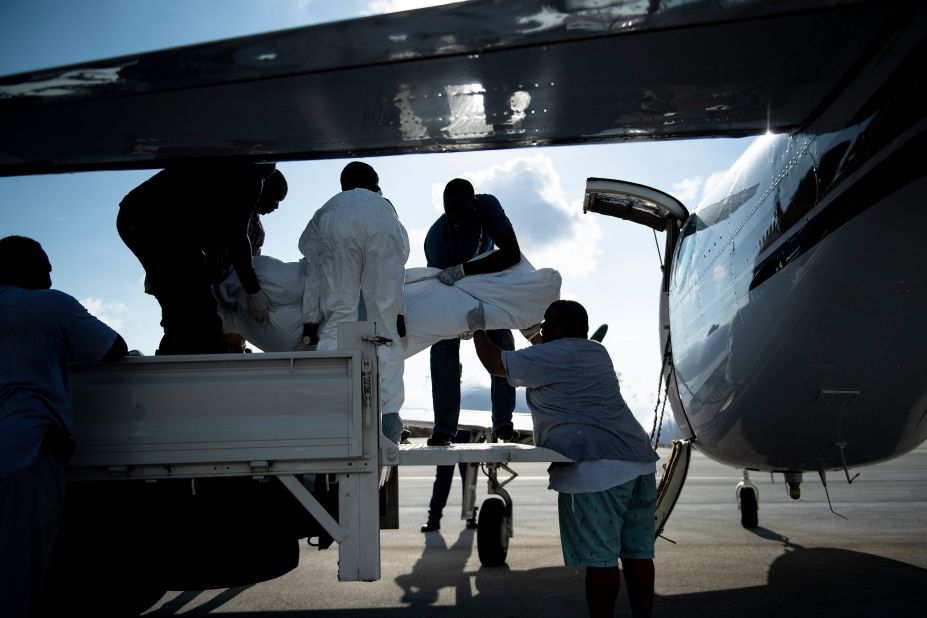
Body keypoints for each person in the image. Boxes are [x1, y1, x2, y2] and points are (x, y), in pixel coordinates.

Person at [469, 299, 659, 618]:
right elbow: (552, 355)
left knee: (601, 562)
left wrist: (476, 328)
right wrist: (532, 336)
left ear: (565, 327)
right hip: (638, 463)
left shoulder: (553, 355)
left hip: (598, 471)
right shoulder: (596, 352)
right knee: (639, 555)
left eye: (548, 321)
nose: (542, 326)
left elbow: (495, 363)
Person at [0, 236, 128, 618]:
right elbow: (112, 348)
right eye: (42, 262)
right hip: (23, 454)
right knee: (18, 570)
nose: (51, 272)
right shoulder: (48, 306)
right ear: (15, 267)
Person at [117, 163, 287, 354]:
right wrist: (253, 292)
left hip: (171, 232)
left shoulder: (254, 227)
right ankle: (182, 365)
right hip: (148, 218)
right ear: (266, 188)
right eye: (277, 198)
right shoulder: (246, 177)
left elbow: (245, 258)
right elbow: (235, 239)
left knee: (195, 309)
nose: (277, 207)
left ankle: (191, 353)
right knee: (196, 313)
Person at [299, 162, 409, 444]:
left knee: (337, 320)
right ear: (374, 183)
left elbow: (314, 270)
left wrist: (311, 321)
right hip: (382, 228)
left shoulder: (327, 210)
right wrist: (399, 312)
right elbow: (399, 264)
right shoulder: (386, 209)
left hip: (338, 227)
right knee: (384, 328)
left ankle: (330, 413)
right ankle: (389, 422)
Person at [424, 178, 521, 446]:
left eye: (460, 211)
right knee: (443, 348)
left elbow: (512, 254)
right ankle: (443, 428)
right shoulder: (436, 240)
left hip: (486, 282)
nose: (454, 218)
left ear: (474, 205)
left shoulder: (488, 205)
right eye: (448, 211)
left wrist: (466, 269)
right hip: (449, 287)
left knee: (502, 342)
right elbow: (444, 286)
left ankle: (503, 423)